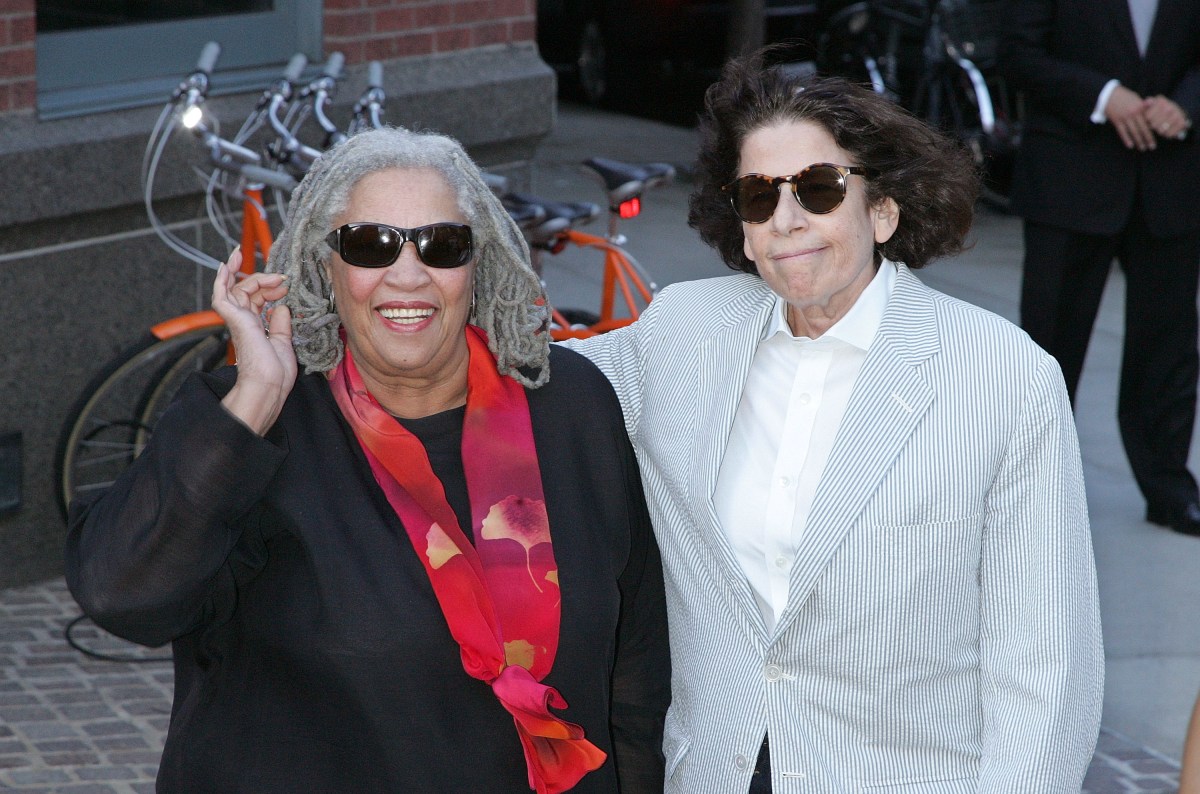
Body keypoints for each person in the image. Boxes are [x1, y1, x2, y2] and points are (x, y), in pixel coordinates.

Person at [64, 126, 669, 793]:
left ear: (477, 263)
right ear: (327, 264)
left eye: (441, 245)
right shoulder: (257, 423)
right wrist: (255, 396)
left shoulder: (569, 404)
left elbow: (633, 667)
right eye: (370, 244)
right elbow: (121, 596)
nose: (406, 276)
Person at [566, 50, 1104, 791]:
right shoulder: (682, 332)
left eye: (818, 189)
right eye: (758, 196)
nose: (786, 220)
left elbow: (1046, 667)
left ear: (882, 209)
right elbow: (536, 384)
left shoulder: (1004, 379)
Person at [998, 0, 1200, 535]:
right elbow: (1017, 53)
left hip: (1171, 177)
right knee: (1048, 348)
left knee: (1170, 344)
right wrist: (1104, 96)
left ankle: (1170, 489)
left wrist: (1185, 105)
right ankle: (1032, 490)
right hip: (1069, 177)